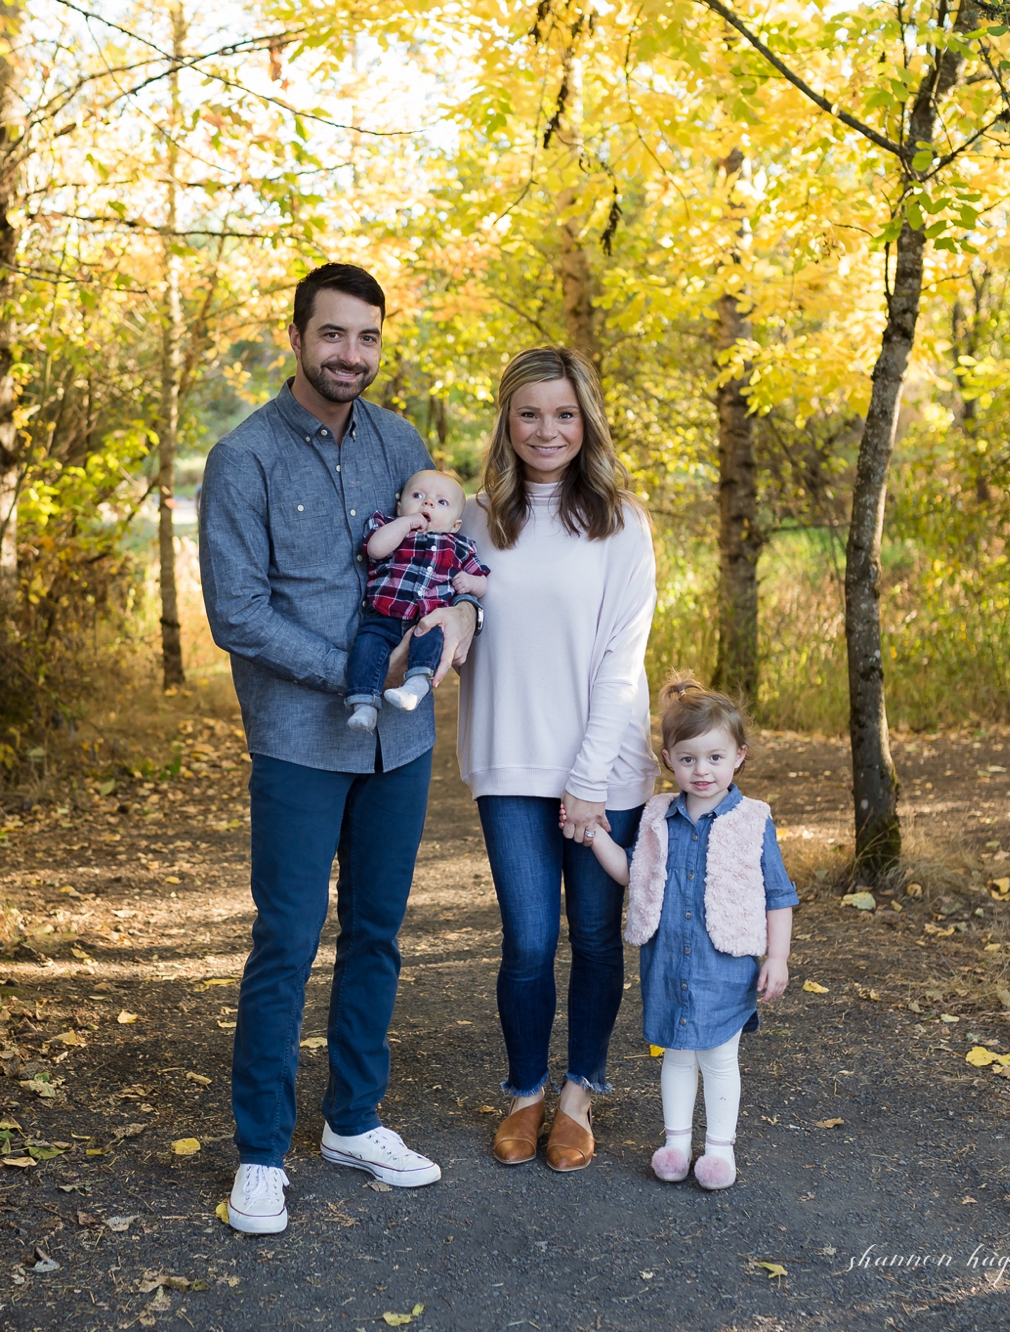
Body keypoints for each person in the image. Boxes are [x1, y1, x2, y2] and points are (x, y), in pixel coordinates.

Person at [196, 263, 479, 1234]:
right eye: (332, 335)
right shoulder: (243, 459)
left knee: (376, 936)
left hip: (398, 743)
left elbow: (447, 563)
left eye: (365, 337)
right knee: (283, 943)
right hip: (296, 742)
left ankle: (352, 1121)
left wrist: (450, 638)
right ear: (296, 336)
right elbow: (235, 614)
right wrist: (348, 672)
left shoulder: (402, 444)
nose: (349, 354)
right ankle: (260, 1154)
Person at [456, 346, 658, 1173]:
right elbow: (450, 620)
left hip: (603, 768)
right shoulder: (472, 518)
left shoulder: (621, 522)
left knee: (599, 940)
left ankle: (579, 1093)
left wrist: (586, 785)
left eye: (565, 414)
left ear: (588, 422)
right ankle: (525, 1092)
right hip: (508, 761)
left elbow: (621, 660)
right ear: (507, 420)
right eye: (530, 413)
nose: (548, 429)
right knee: (529, 942)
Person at [583, 677, 799, 1190]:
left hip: (724, 964)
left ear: (738, 757)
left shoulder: (752, 819)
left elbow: (779, 894)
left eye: (715, 758)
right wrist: (592, 833)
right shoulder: (658, 815)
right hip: (669, 961)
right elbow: (633, 871)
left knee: (720, 1059)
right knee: (677, 1057)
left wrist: (778, 957)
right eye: (688, 759)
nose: (701, 771)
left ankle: (719, 1151)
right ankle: (676, 1144)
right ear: (667, 759)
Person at [346, 469, 490, 731]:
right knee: (366, 648)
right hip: (384, 616)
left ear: (455, 524)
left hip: (427, 619)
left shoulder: (459, 545)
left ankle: (415, 687)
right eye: (418, 495)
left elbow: (482, 580)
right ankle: (364, 705)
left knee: (432, 640)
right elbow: (375, 549)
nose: (428, 503)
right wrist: (405, 523)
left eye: (441, 502)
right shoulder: (392, 529)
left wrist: (470, 583)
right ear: (400, 506)